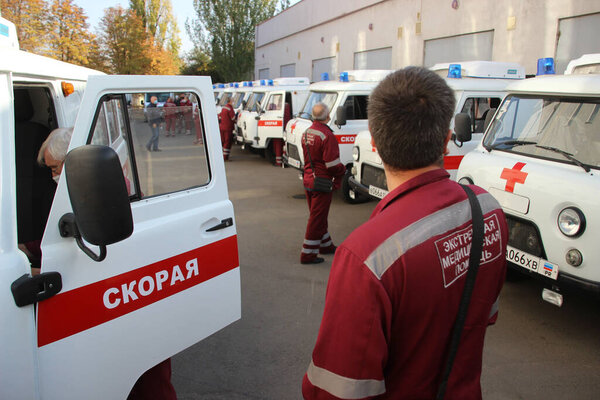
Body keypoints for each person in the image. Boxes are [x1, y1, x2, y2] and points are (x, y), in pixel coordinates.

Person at [302, 67, 508, 399]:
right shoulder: (490, 211)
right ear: (445, 139)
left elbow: (333, 389)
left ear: (376, 142)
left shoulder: (365, 256)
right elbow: (485, 314)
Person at [300, 102, 345, 264]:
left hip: (308, 180)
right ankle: (308, 254)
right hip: (322, 183)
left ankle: (325, 245)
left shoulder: (306, 133)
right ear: (327, 116)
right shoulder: (327, 135)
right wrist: (343, 170)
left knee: (318, 216)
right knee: (317, 219)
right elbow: (332, 165)